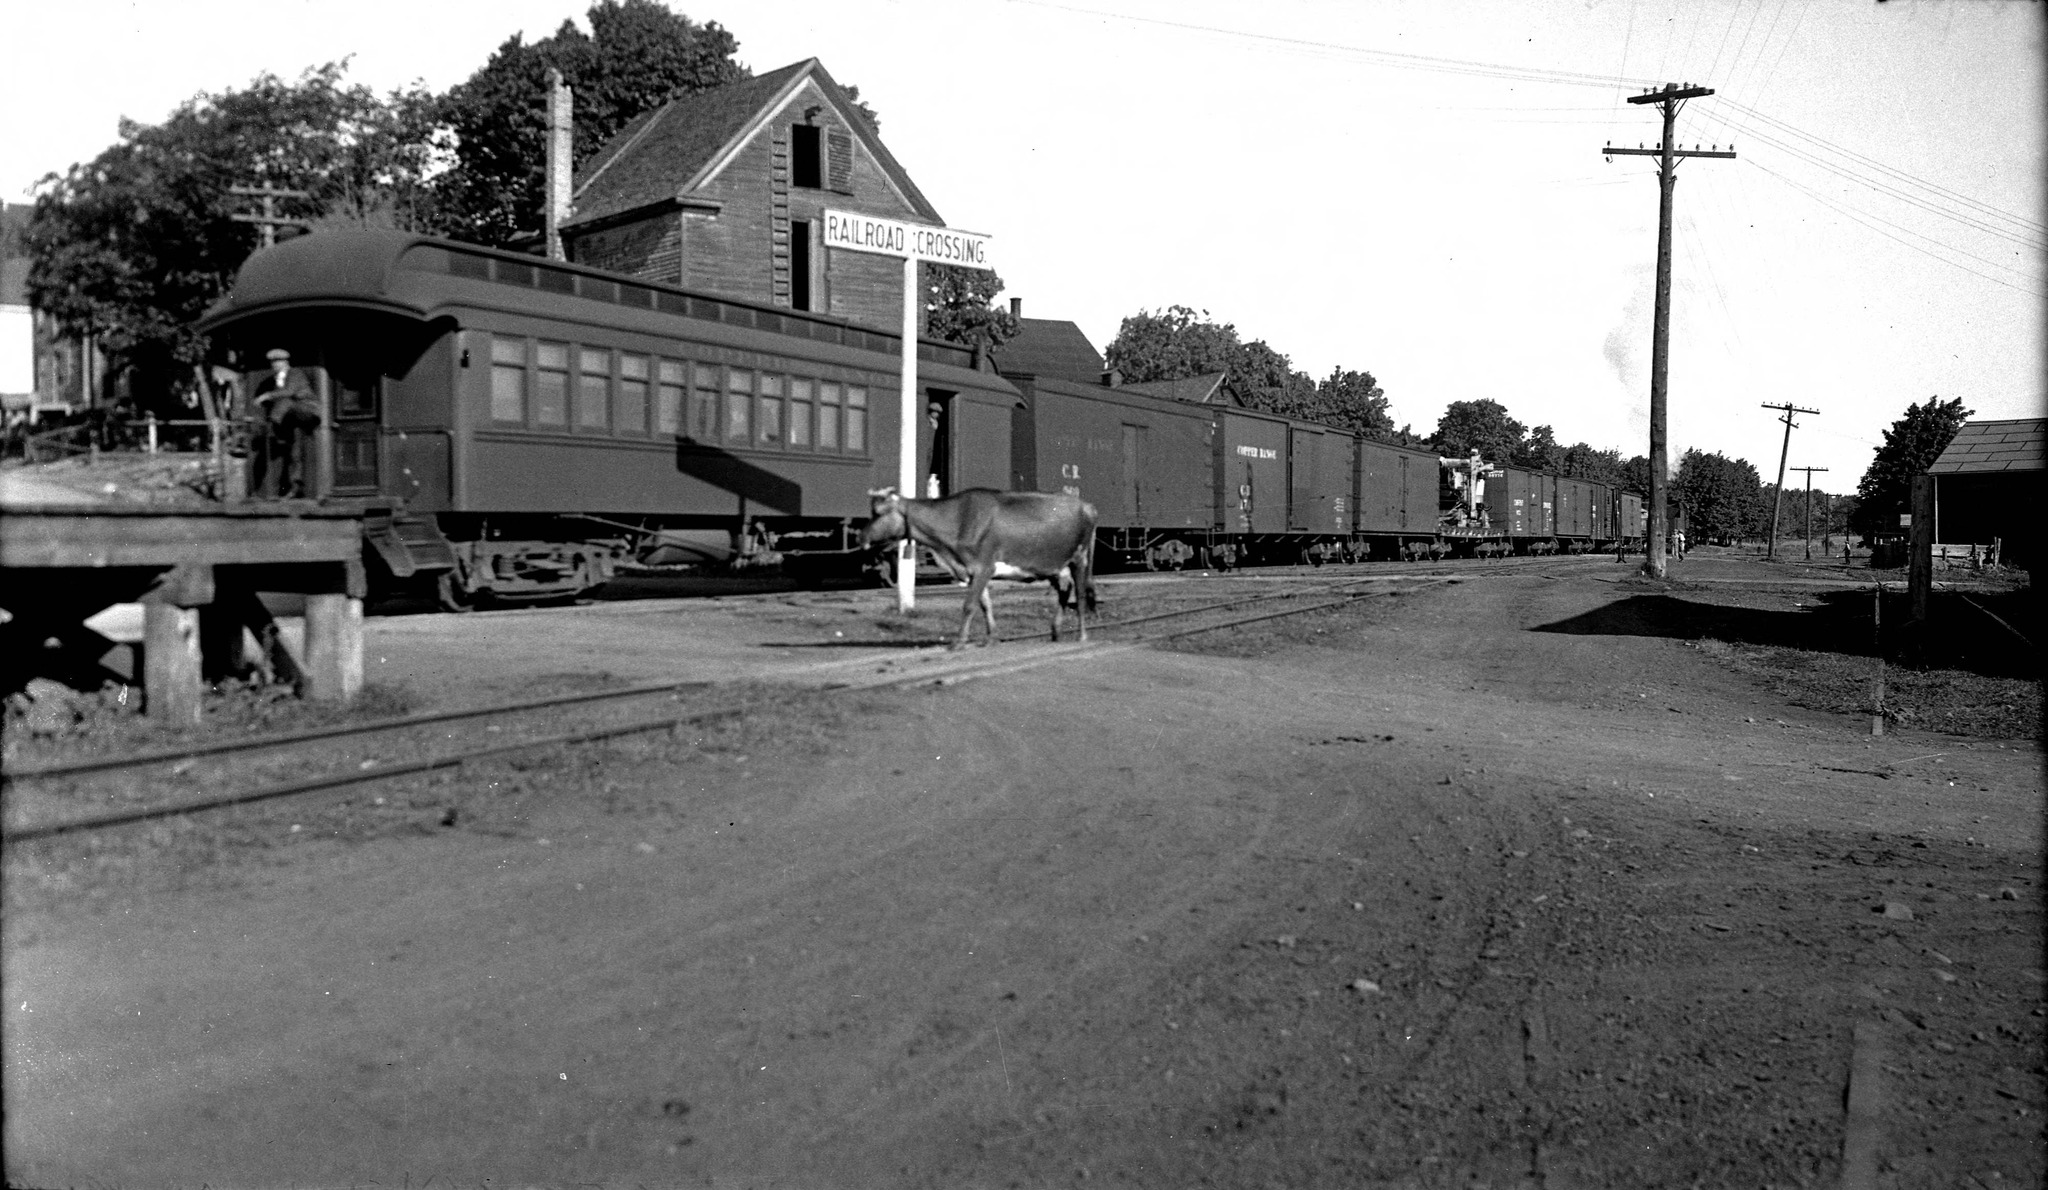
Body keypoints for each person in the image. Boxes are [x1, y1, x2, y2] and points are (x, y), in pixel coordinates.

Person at [250, 348, 322, 497]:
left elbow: (289, 392)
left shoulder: (296, 374)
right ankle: (295, 487)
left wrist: (267, 395)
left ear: (286, 362)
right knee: (294, 453)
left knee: (286, 401)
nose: (275, 365)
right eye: (273, 362)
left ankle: (274, 426)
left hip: (307, 411)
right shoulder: (276, 382)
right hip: (291, 420)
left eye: (278, 362)